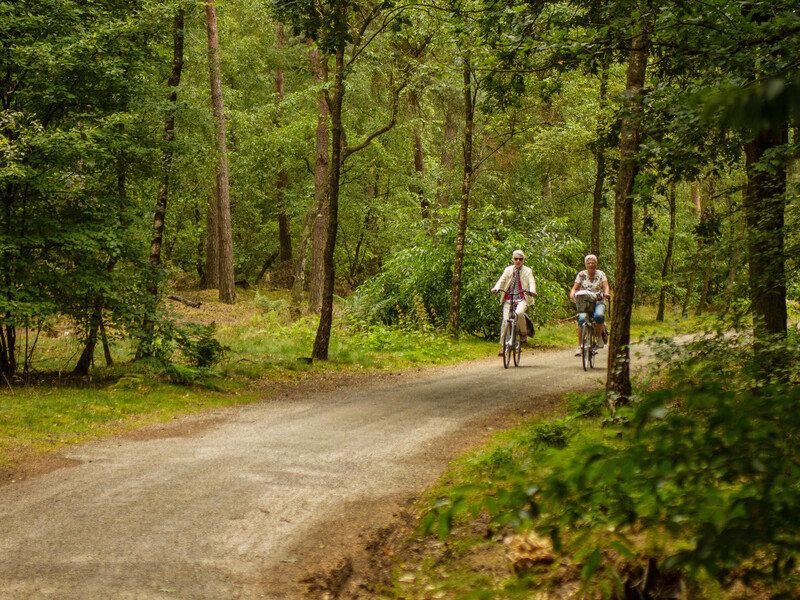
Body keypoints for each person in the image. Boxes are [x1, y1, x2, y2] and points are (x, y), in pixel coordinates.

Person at [491, 250, 536, 356]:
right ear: (513, 259)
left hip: (522, 298)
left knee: (519, 313)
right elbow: (502, 280)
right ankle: (504, 346)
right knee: (505, 321)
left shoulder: (527, 271)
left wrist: (532, 290)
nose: (518, 261)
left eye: (520, 259)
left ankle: (523, 333)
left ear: (523, 260)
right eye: (516, 259)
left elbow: (531, 281)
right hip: (509, 298)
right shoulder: (508, 270)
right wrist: (496, 288)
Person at [569, 254, 611, 356]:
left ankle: (599, 336)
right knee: (582, 319)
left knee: (599, 316)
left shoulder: (601, 274)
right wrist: (572, 293)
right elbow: (575, 287)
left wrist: (607, 293)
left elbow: (606, 286)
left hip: (598, 300)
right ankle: (580, 346)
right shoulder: (581, 274)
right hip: (585, 301)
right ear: (586, 265)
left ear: (596, 264)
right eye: (588, 263)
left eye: (593, 263)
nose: (591, 265)